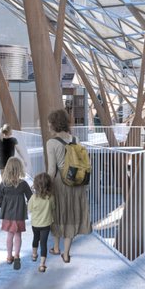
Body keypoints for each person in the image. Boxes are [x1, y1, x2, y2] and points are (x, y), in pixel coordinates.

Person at [46, 109, 91, 262]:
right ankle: (65, 254)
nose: (48, 125)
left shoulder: (51, 143)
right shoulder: (75, 139)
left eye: (49, 122)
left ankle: (56, 247)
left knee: (58, 213)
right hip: (76, 183)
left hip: (60, 183)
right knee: (71, 215)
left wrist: (45, 186)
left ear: (54, 124)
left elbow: (52, 169)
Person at [0, 156, 32, 270]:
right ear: (19, 169)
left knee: (9, 235)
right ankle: (17, 256)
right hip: (19, 214)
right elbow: (31, 198)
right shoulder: (23, 184)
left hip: (8, 215)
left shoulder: (4, 184)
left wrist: (4, 206)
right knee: (18, 235)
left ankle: (9, 256)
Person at [28, 172, 55, 273]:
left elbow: (29, 209)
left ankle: (34, 255)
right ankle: (42, 264)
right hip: (46, 224)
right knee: (43, 243)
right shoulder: (50, 197)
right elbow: (53, 208)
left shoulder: (33, 197)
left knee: (35, 238)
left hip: (35, 224)